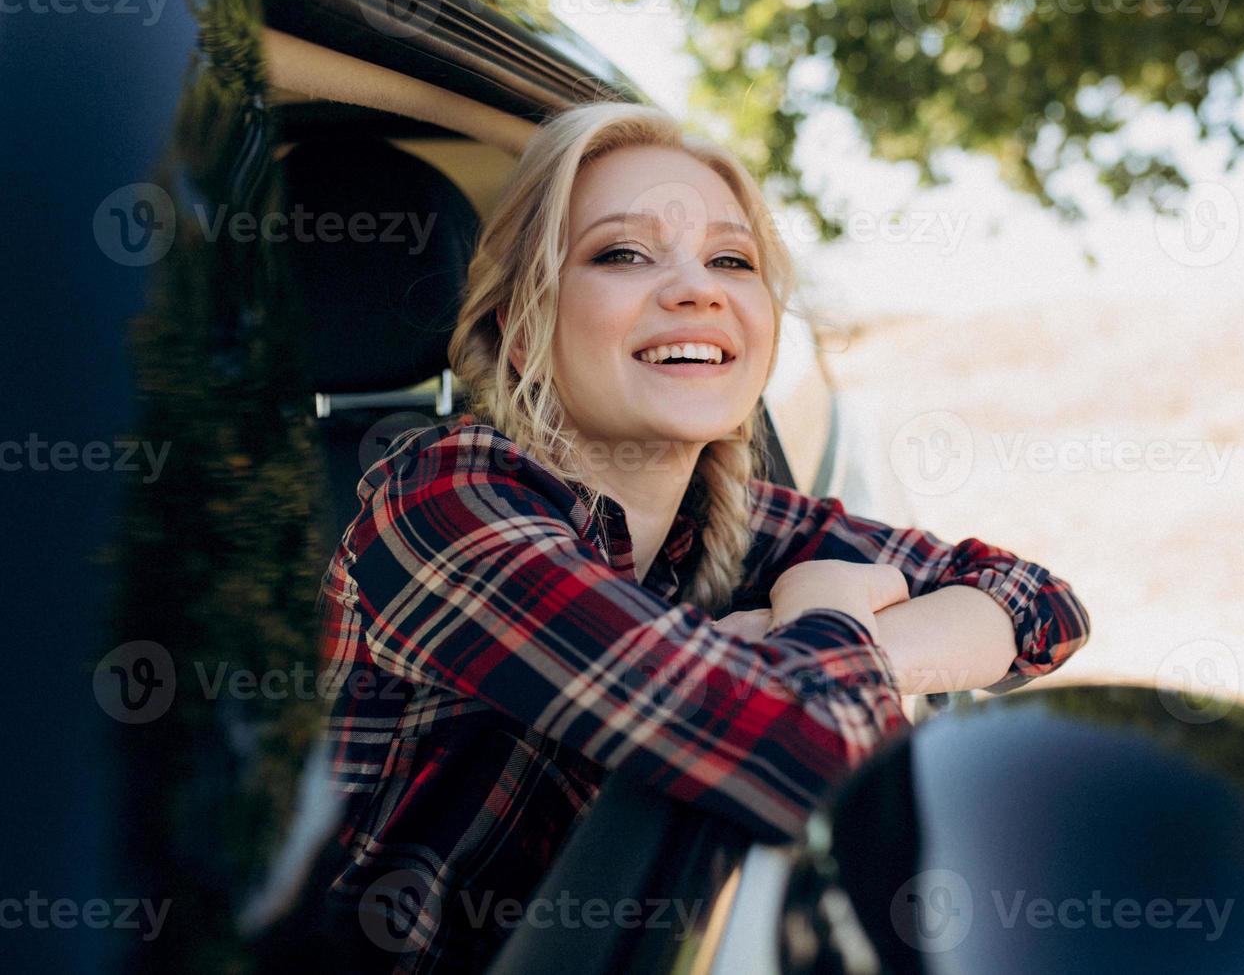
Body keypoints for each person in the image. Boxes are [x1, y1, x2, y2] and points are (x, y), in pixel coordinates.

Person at [311, 100, 1092, 973]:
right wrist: (832, 613)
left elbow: (1039, 605)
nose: (698, 289)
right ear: (526, 333)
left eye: (732, 259)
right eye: (623, 254)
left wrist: (842, 643)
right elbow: (815, 763)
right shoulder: (442, 504)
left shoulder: (726, 515)